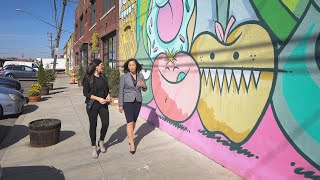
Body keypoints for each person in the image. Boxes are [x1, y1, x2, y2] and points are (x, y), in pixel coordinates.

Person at [82, 59, 111, 158]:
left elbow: (107, 90)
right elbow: (86, 93)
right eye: (101, 65)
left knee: (106, 123)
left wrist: (108, 96)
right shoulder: (88, 78)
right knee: (93, 125)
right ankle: (94, 147)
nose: (102, 66)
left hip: (103, 104)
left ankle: (101, 141)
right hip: (92, 104)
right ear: (96, 66)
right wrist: (98, 98)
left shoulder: (103, 77)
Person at [119, 58, 147, 154]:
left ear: (136, 66)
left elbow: (145, 89)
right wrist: (120, 104)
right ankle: (132, 143)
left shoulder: (141, 75)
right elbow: (121, 91)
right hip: (127, 102)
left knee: (134, 122)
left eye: (133, 65)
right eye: (129, 65)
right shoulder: (124, 77)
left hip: (137, 101)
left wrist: (143, 85)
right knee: (129, 122)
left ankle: (130, 137)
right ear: (128, 66)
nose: (131, 67)